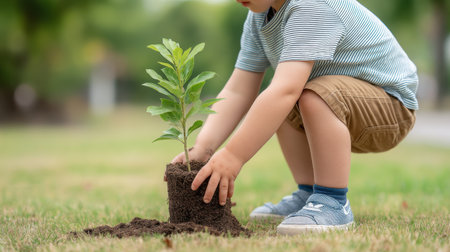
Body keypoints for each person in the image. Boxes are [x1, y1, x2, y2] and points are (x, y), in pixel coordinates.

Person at [171, 0, 417, 235]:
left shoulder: (311, 6)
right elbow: (238, 89)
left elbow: (285, 90)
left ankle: (332, 200)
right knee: (280, 99)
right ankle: (309, 192)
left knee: (297, 94)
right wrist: (203, 147)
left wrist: (233, 156)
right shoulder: (259, 17)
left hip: (390, 106)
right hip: (344, 102)